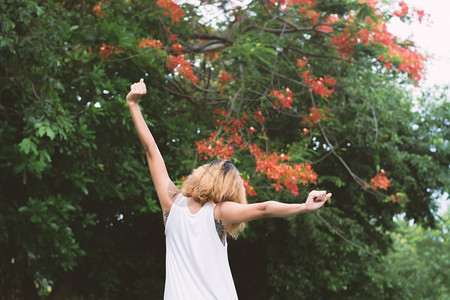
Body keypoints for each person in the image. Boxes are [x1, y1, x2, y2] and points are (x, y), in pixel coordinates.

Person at [126, 79, 332, 300]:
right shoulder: (218, 212)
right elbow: (264, 209)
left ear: (208, 177)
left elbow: (151, 151)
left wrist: (133, 105)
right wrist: (302, 206)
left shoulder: (173, 204)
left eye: (204, 167)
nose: (197, 168)